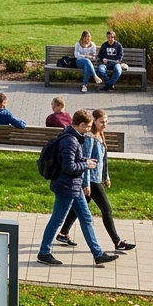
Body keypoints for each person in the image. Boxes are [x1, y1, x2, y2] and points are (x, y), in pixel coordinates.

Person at [36, 110, 118, 267]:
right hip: (66, 187)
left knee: (86, 218)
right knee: (57, 220)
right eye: (87, 126)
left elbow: (72, 160)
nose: (89, 129)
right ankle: (44, 252)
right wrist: (86, 164)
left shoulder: (73, 137)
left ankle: (98, 254)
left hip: (74, 186)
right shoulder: (71, 141)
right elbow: (68, 166)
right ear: (80, 125)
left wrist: (85, 160)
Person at [56, 109, 135, 253]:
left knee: (78, 208)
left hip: (97, 178)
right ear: (95, 121)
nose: (105, 124)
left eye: (106, 121)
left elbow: (103, 160)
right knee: (106, 209)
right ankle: (117, 242)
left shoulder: (100, 135)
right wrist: (86, 183)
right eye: (101, 122)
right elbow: (85, 160)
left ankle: (63, 233)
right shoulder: (90, 138)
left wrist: (106, 176)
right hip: (91, 180)